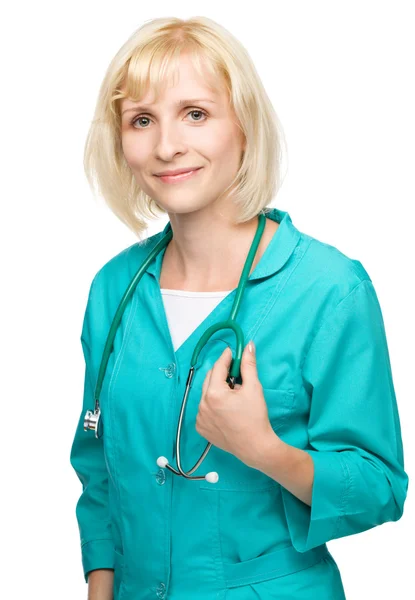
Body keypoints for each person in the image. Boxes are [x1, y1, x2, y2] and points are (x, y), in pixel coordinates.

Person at [69, 16, 409, 600]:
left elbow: (380, 488)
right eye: (141, 120)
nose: (166, 145)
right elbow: (100, 472)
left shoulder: (329, 290)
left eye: (195, 114)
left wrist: (264, 450)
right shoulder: (113, 289)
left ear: (244, 127)